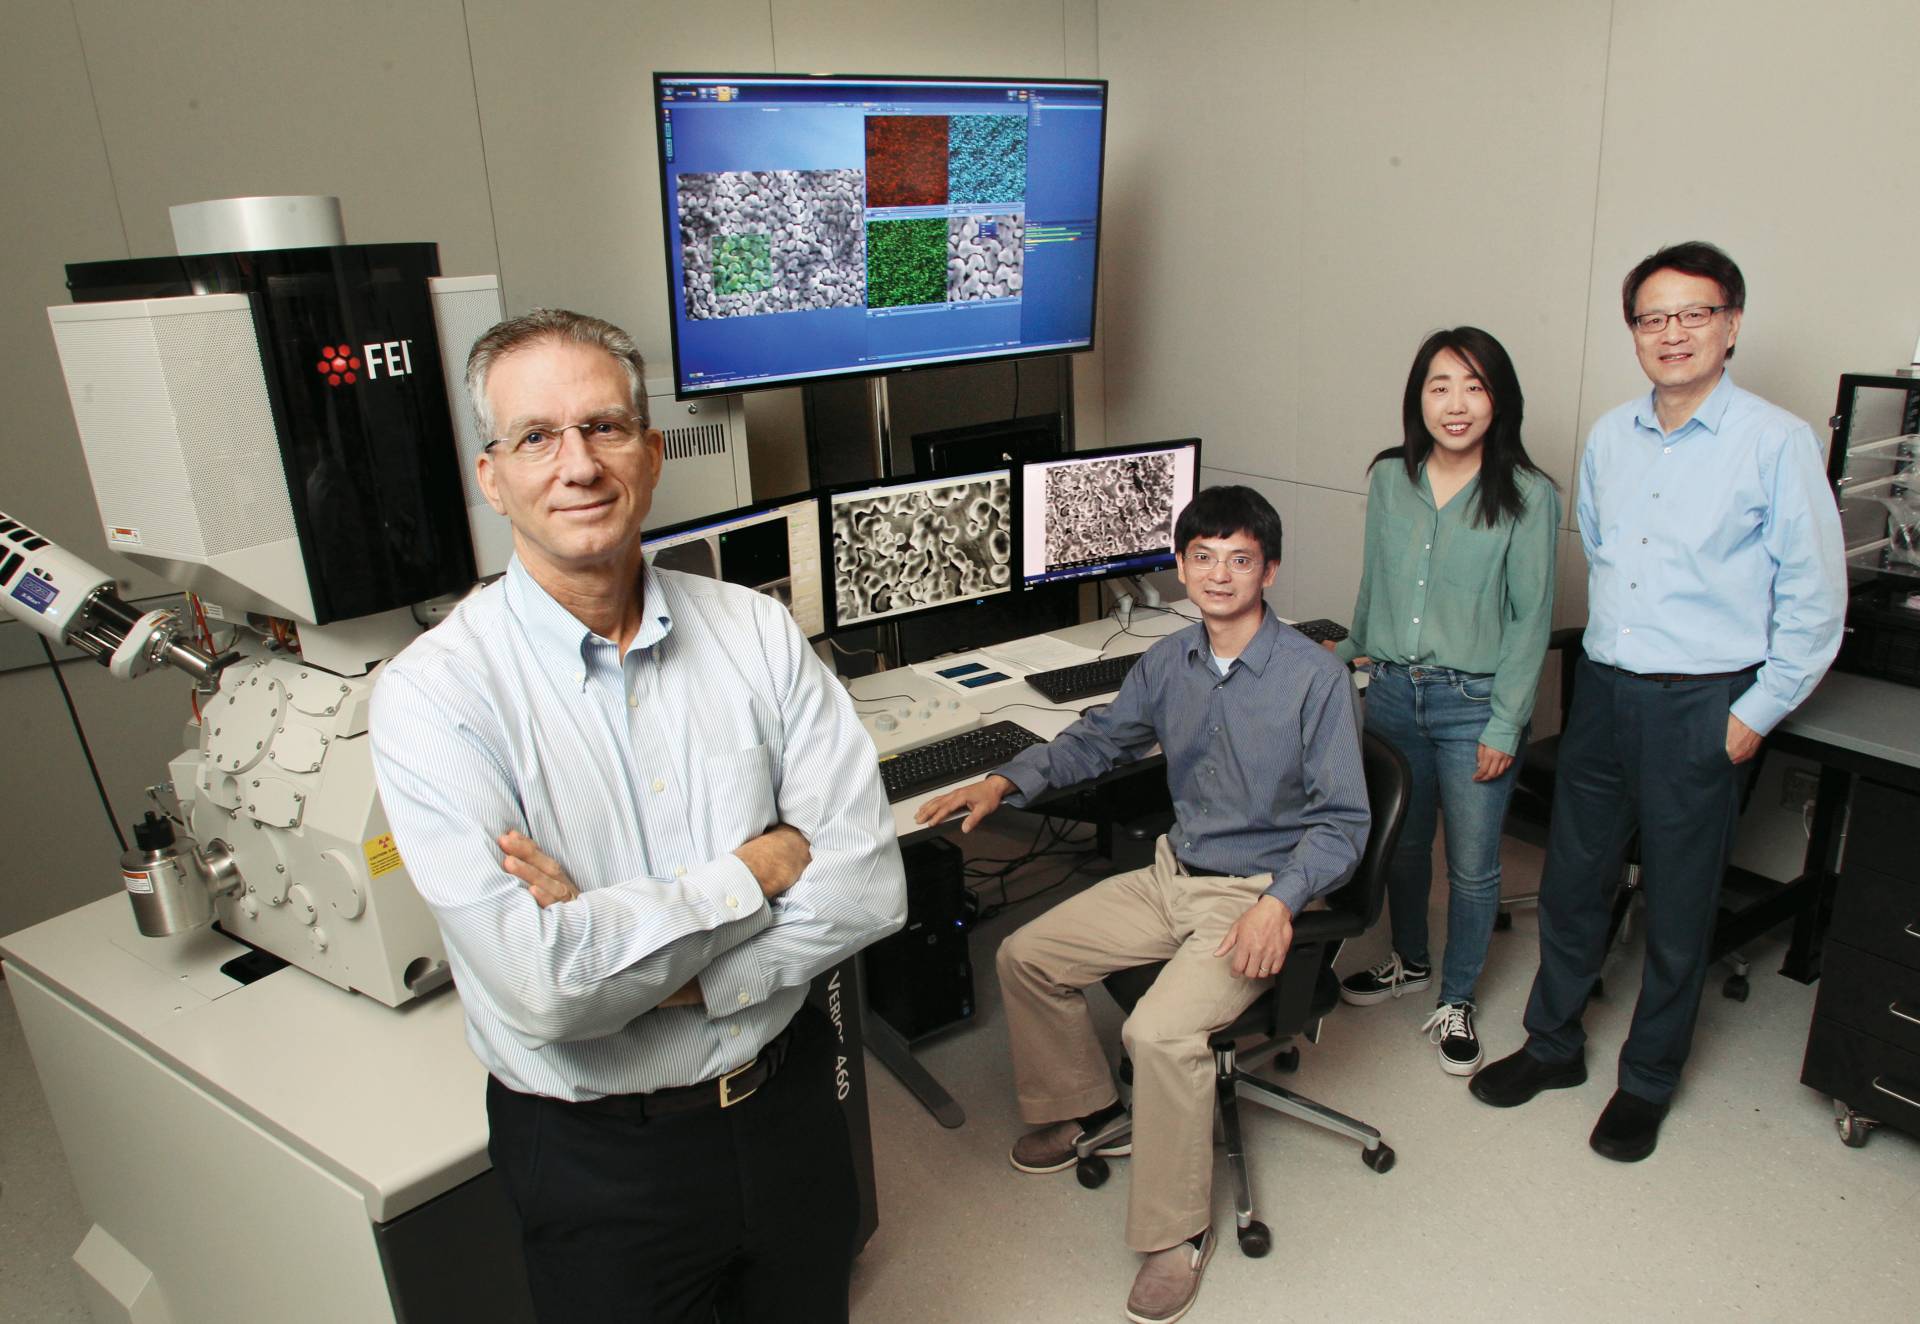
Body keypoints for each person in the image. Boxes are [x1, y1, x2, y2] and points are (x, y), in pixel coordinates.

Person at [369, 309, 906, 1322]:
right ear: (493, 478)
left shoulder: (754, 632)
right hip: (599, 1157)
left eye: (606, 428)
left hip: (787, 1105)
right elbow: (548, 992)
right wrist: (757, 868)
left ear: (651, 454)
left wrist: (646, 967)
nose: (578, 464)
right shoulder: (435, 695)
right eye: (536, 437)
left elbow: (872, 885)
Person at [914, 485, 1369, 1324]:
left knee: (1156, 1031)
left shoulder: (1314, 679)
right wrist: (1007, 777)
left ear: (1269, 569)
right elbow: (1100, 738)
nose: (1220, 575)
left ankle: (1177, 1234)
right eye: (1203, 557)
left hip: (1255, 893)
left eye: (1241, 559)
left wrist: (1282, 904)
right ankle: (1086, 1108)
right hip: (1173, 872)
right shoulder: (1169, 661)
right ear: (1180, 565)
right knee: (1026, 956)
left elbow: (1344, 824)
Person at [1470, 242, 1846, 1161]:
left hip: (1703, 703)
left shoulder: (1777, 442)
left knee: (1680, 910)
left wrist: (1751, 714)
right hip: (1603, 691)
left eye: (1695, 314)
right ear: (1633, 329)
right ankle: (1553, 1046)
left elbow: (1816, 601)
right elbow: (1603, 552)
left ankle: (1647, 1081)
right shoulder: (1609, 437)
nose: (1672, 333)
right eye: (1653, 317)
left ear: (1731, 324)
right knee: (1572, 885)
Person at [1332, 328, 1559, 1076]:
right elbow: (1376, 582)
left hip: (1476, 704)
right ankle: (1410, 962)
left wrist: (1507, 721)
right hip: (1395, 691)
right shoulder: (1390, 478)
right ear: (1417, 397)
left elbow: (1531, 621)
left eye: (1474, 386)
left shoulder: (1530, 496)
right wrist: (1346, 654)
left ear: (1500, 400)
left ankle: (1458, 996)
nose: (1455, 404)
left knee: (1472, 864)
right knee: (1399, 842)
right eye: (1439, 385)